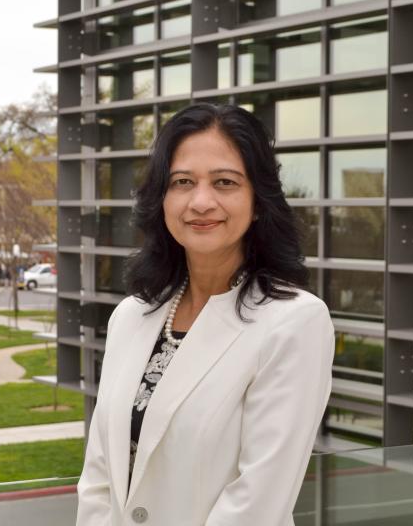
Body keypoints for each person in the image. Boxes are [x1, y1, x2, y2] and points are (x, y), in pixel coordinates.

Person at [76, 103, 335, 526]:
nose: (200, 201)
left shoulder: (294, 323)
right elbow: (98, 477)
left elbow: (257, 501)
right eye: (182, 182)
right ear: (162, 198)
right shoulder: (131, 317)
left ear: (258, 201)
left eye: (224, 182)